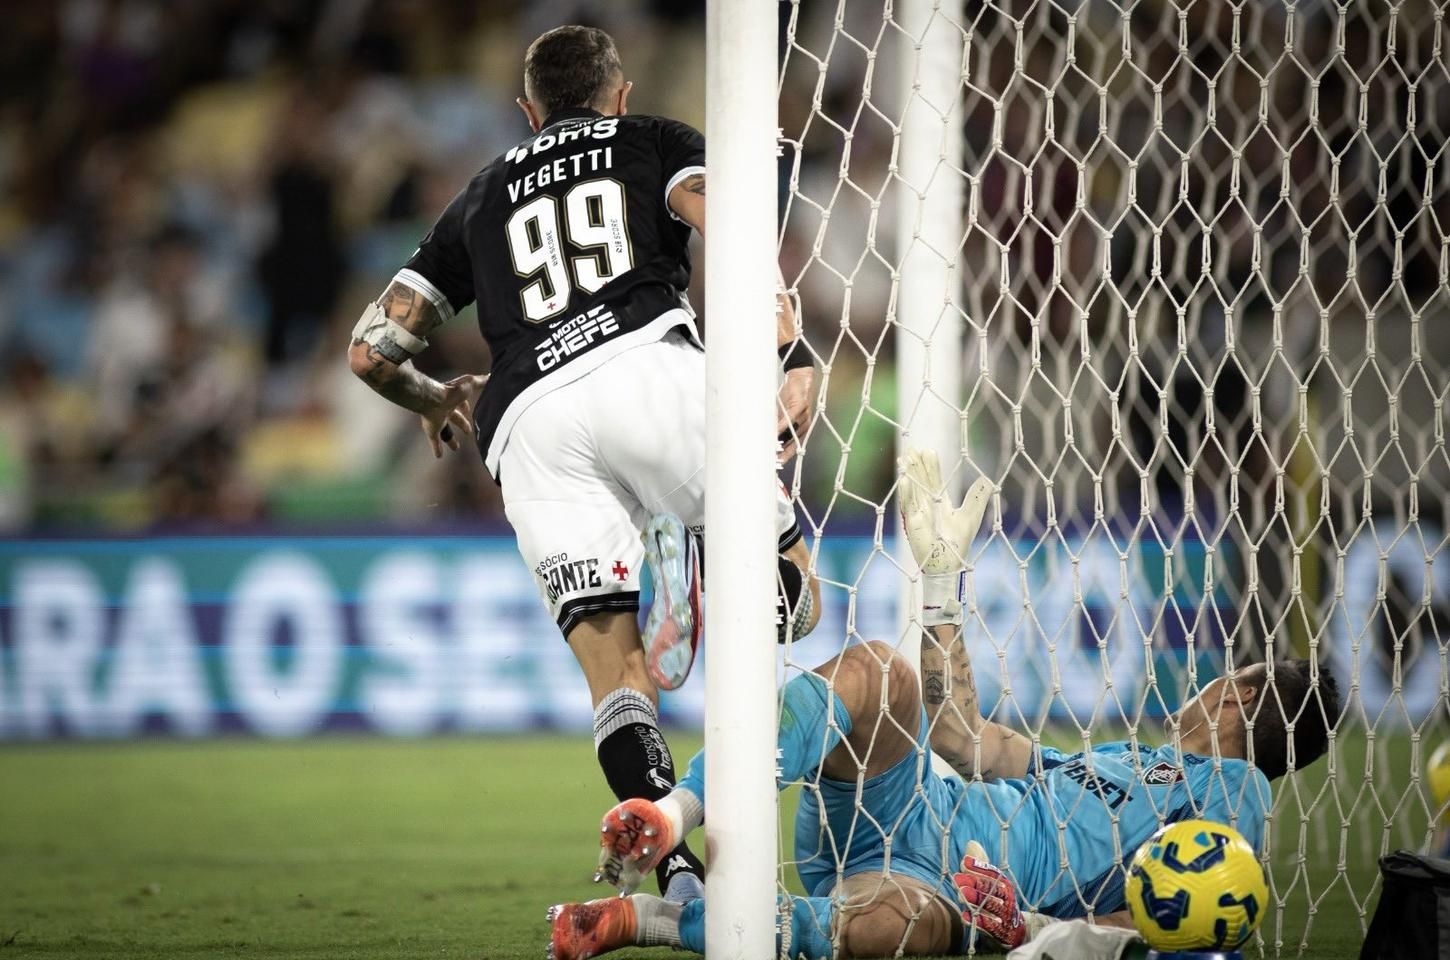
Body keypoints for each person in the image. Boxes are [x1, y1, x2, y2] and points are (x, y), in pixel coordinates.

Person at [345, 25, 821, 903]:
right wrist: (787, 353)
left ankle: (675, 879)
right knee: (795, 595)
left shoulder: (480, 196)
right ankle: (709, 568)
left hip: (528, 420)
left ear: (527, 112)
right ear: (620, 91)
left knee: (617, 681)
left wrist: (437, 399)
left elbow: (371, 350)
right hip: (646, 364)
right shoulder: (652, 139)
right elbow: (733, 228)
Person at [546, 447, 1342, 959]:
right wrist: (938, 592)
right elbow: (962, 738)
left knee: (897, 933)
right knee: (876, 674)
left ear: (1239, 695)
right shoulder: (1124, 762)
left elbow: (1175, 924)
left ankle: (650, 923)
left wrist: (1022, 931)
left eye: (1228, 675)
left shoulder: (1234, 799)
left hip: (947, 887)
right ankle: (678, 813)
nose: (1208, 680)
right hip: (908, 795)